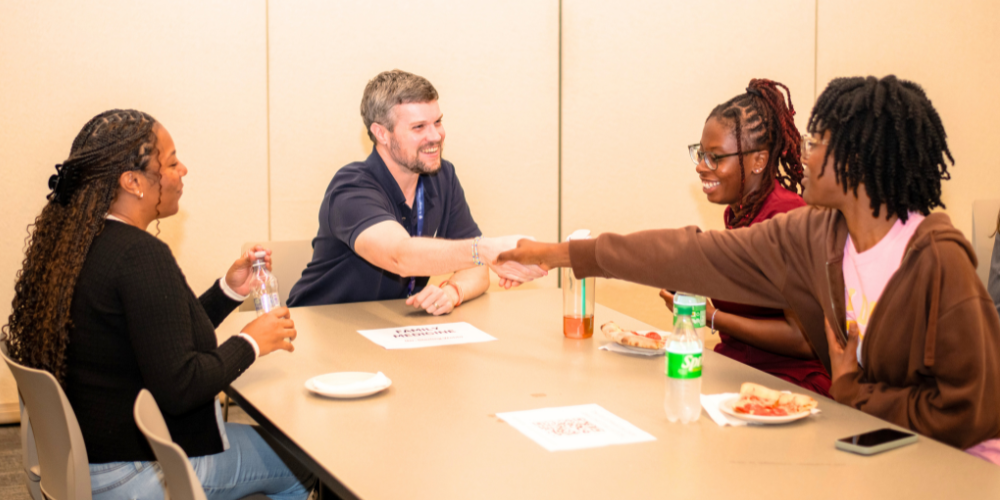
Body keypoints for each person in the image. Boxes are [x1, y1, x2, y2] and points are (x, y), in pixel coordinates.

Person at [498, 76, 1000, 456]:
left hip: (961, 465)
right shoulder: (813, 235)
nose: (800, 156)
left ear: (855, 161)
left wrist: (853, 392)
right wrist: (560, 254)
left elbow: (968, 412)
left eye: (814, 144)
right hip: (884, 447)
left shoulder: (938, 260)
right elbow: (690, 255)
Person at [3, 110, 316, 499]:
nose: (183, 170)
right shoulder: (139, 255)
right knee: (301, 462)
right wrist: (251, 342)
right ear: (133, 182)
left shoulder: (78, 244)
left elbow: (158, 335)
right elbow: (181, 387)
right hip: (136, 472)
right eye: (170, 162)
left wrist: (228, 290)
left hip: (85, 460)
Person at [287, 69, 545, 312]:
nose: (436, 136)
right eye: (419, 127)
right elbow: (400, 256)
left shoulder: (443, 176)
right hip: (319, 330)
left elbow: (477, 269)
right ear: (382, 134)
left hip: (389, 328)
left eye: (438, 122)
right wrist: (484, 250)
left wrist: (453, 292)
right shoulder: (351, 187)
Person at [662, 79, 831, 397]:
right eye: (700, 153)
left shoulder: (787, 216)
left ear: (759, 161)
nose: (700, 166)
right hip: (739, 372)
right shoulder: (738, 213)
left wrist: (711, 317)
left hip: (789, 386)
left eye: (715, 157)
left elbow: (804, 339)